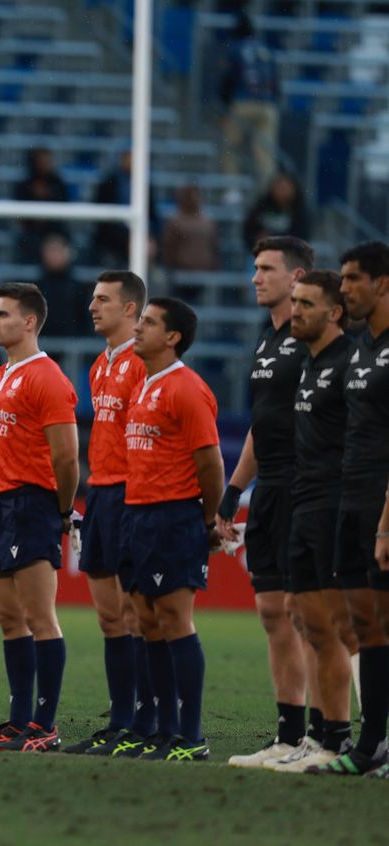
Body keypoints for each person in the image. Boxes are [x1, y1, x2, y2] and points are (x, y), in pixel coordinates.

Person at [0, 284, 78, 752]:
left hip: (33, 502)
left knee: (40, 617)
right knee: (10, 619)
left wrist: (59, 509)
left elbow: (68, 457)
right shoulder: (0, 376)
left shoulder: (47, 377)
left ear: (29, 322)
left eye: (3, 314)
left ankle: (45, 724)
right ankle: (18, 721)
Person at [220, 236, 313, 768]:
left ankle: (334, 735)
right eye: (254, 267)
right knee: (273, 612)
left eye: (266, 269)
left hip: (309, 486)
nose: (255, 277)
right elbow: (263, 425)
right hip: (271, 489)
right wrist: (234, 492)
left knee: (315, 616)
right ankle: (289, 735)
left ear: (297, 277)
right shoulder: (265, 341)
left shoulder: (318, 340)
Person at [262, 270, 358, 772]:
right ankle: (318, 739)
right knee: (303, 619)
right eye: (293, 302)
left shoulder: (348, 363)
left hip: (334, 506)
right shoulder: (307, 363)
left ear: (334, 312)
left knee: (332, 628)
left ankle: (336, 740)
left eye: (305, 304)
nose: (294, 311)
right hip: (303, 502)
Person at [123, 297, 223, 762]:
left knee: (175, 618)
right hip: (138, 513)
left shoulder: (187, 388)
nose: (138, 328)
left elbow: (210, 461)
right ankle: (163, 730)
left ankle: (192, 735)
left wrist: (209, 518)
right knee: (146, 619)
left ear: (174, 337)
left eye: (148, 322)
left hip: (173, 516)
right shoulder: (146, 385)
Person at [308, 241, 389, 776]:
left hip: (382, 506)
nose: (346, 288)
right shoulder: (362, 348)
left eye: (354, 278)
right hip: (351, 499)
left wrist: (386, 522)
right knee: (364, 623)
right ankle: (370, 745)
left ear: (383, 283)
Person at [64, 270, 152, 756]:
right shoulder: (100, 364)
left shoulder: (144, 362)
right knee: (109, 616)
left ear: (130, 309)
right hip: (98, 492)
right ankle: (121, 720)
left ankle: (145, 720)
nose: (93, 306)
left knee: (138, 613)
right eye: (93, 298)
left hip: (130, 493)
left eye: (103, 300)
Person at [219, 13, 279, 189]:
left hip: (243, 102)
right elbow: (276, 81)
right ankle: (267, 193)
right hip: (267, 105)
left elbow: (227, 79)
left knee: (231, 146)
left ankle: (232, 190)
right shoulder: (265, 50)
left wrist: (224, 107)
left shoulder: (235, 49)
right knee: (265, 153)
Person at [14, 148, 70, 263]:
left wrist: (49, 195)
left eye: (47, 161)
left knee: (60, 240)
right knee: (27, 242)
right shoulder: (26, 184)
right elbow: (18, 211)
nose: (45, 164)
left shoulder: (56, 182)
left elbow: (64, 206)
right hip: (31, 231)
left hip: (53, 228)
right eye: (42, 161)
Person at [242, 173, 310, 252]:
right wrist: (256, 239)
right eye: (279, 188)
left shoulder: (299, 211)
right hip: (262, 252)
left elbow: (302, 237)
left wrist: (279, 242)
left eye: (285, 188)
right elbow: (248, 231)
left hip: (289, 255)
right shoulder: (262, 207)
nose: (282, 192)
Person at [160, 186, 220, 272]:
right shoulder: (174, 222)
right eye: (190, 196)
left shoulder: (208, 222)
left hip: (205, 273)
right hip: (180, 273)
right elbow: (168, 250)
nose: (193, 199)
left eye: (196, 196)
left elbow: (215, 249)